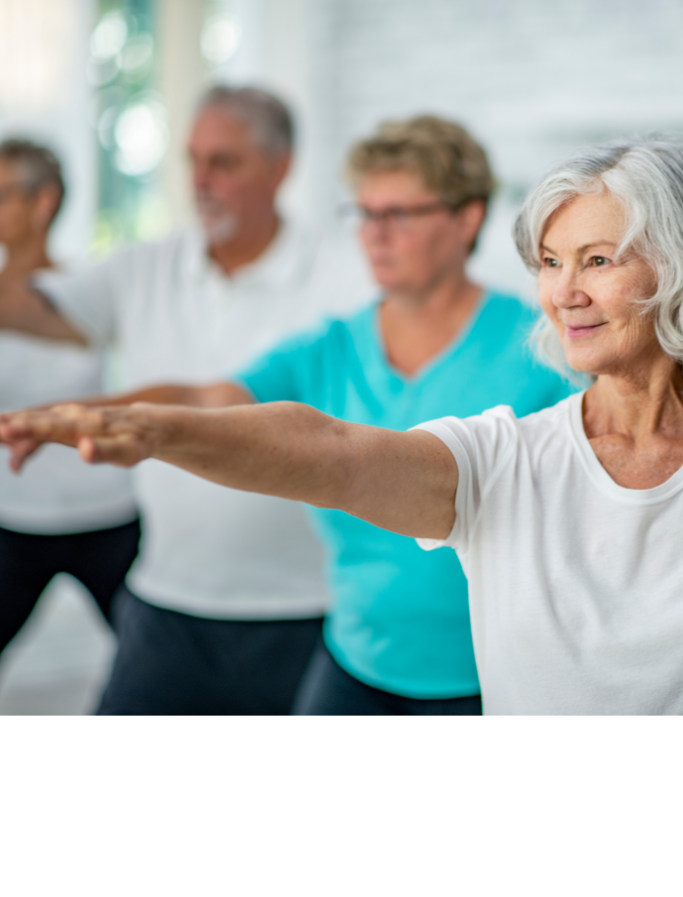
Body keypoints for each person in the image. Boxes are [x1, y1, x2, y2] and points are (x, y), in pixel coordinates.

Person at [4, 135, 683, 715]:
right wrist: (145, 426)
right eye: (549, 263)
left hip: (464, 675)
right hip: (366, 655)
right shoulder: (500, 451)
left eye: (597, 260)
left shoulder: (515, 348)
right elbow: (331, 453)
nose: (563, 293)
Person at [0, 87, 374, 715]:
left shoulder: (346, 273)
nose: (201, 181)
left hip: (303, 609)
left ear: (280, 166)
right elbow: (34, 309)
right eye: (193, 161)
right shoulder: (144, 266)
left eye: (223, 163)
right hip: (165, 602)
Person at [0, 139, 139, 657]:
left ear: (45, 202)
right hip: (15, 516)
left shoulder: (89, 289)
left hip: (106, 513)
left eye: (4, 193)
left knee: (150, 655)